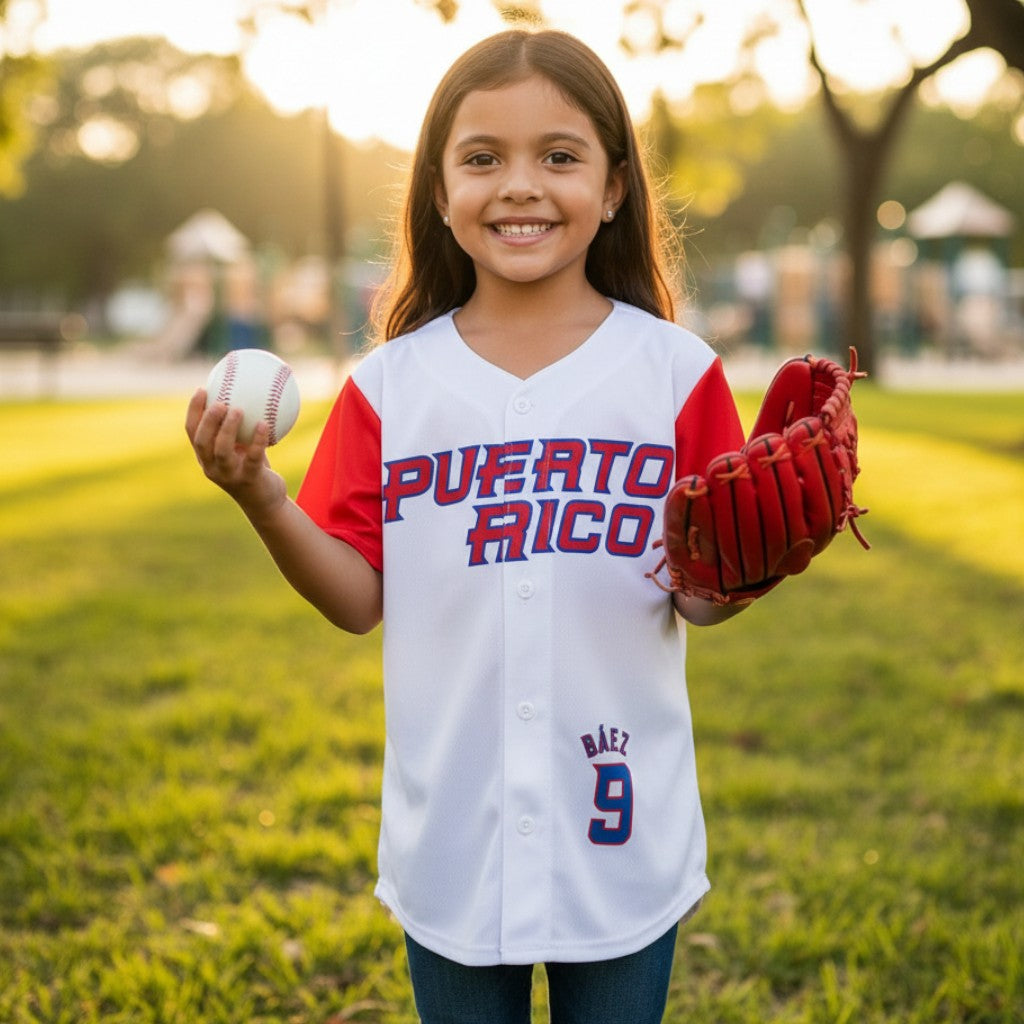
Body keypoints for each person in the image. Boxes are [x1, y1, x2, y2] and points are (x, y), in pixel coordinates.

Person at [186, 28, 750, 1024]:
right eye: (482, 158)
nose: (519, 185)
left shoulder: (675, 373)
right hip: (450, 834)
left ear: (614, 189)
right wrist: (259, 495)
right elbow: (357, 598)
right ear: (440, 194)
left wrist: (763, 560)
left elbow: (703, 601)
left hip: (620, 833)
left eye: (560, 156)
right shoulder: (391, 386)